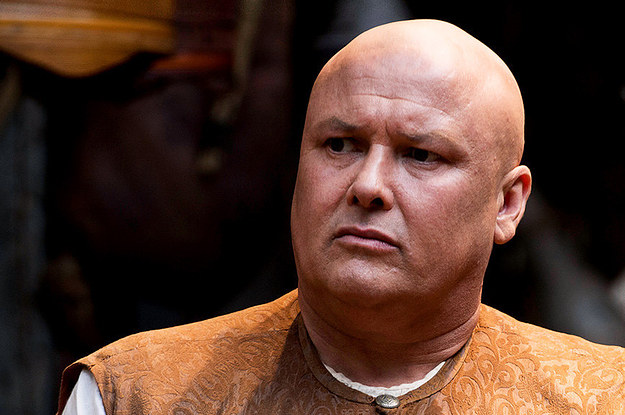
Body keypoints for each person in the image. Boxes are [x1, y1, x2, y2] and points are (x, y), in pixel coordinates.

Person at [56, 19, 625, 414]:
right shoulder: (132, 395)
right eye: (339, 145)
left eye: (420, 155)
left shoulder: (604, 397)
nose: (368, 186)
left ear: (507, 205)